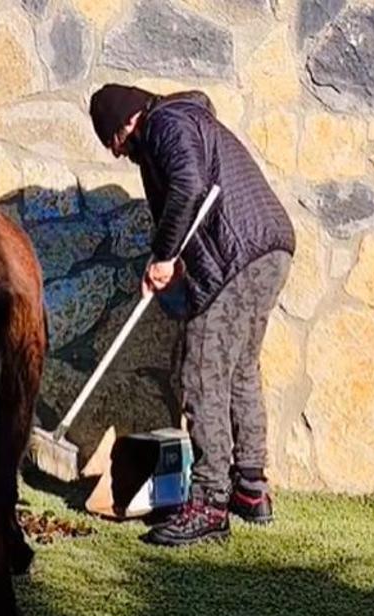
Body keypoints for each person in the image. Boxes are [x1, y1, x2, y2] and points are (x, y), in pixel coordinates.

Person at [89, 84, 295, 546]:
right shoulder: (185, 121)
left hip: (237, 255)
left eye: (116, 145)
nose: (122, 156)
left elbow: (189, 184)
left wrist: (163, 254)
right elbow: (196, 201)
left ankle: (208, 502)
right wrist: (166, 263)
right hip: (268, 247)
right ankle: (250, 490)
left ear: (125, 123)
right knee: (239, 370)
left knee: (202, 373)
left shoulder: (165, 122)